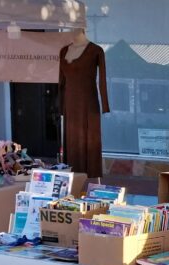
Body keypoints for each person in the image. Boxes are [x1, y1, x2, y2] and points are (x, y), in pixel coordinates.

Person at [59, 28, 109, 179]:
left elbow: (102, 79)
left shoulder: (96, 51)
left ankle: (92, 179)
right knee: (72, 140)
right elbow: (61, 81)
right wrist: (60, 106)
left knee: (89, 140)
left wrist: (105, 104)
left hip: (88, 103)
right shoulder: (63, 51)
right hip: (70, 103)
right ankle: (73, 177)